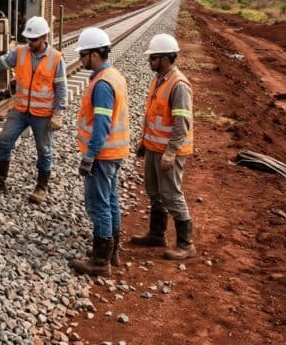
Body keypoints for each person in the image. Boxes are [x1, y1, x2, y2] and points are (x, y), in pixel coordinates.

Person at [0, 16, 67, 203]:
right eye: (28, 39)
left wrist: (58, 113)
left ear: (44, 38)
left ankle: (41, 188)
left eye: (33, 39)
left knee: (44, 150)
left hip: (42, 114)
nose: (30, 43)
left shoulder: (56, 59)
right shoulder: (20, 52)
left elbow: (61, 88)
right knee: (4, 140)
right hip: (21, 110)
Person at [130, 33, 197, 260]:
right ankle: (157, 234)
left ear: (167, 58)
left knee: (171, 195)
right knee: (154, 192)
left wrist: (171, 151)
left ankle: (186, 244)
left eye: (153, 58)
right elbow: (154, 116)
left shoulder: (178, 85)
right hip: (153, 147)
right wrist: (144, 143)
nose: (150, 62)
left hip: (169, 152)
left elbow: (182, 122)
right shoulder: (160, 79)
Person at [70, 27, 129, 277]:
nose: (81, 59)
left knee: (99, 205)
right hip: (115, 153)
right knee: (111, 200)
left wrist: (89, 155)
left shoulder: (102, 84)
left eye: (83, 54)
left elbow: (102, 125)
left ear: (94, 55)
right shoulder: (114, 75)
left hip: (103, 155)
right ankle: (112, 250)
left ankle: (100, 260)